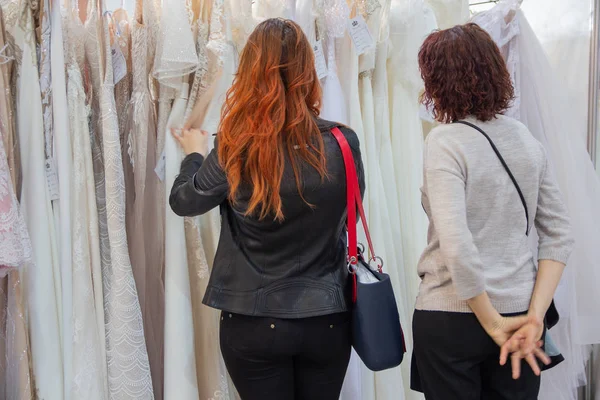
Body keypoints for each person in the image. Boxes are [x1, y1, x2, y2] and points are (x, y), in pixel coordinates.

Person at [169, 18, 364, 400]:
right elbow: (350, 219)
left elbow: (184, 201)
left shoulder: (236, 145)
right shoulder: (343, 142)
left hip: (253, 320)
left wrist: (194, 155)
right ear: (308, 70)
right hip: (326, 317)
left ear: (250, 72)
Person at [411, 23, 574, 400]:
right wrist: (535, 316)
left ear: (437, 83)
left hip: (453, 317)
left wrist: (492, 322)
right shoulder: (525, 139)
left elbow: (456, 245)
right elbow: (559, 234)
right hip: (520, 318)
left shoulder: (445, 142)